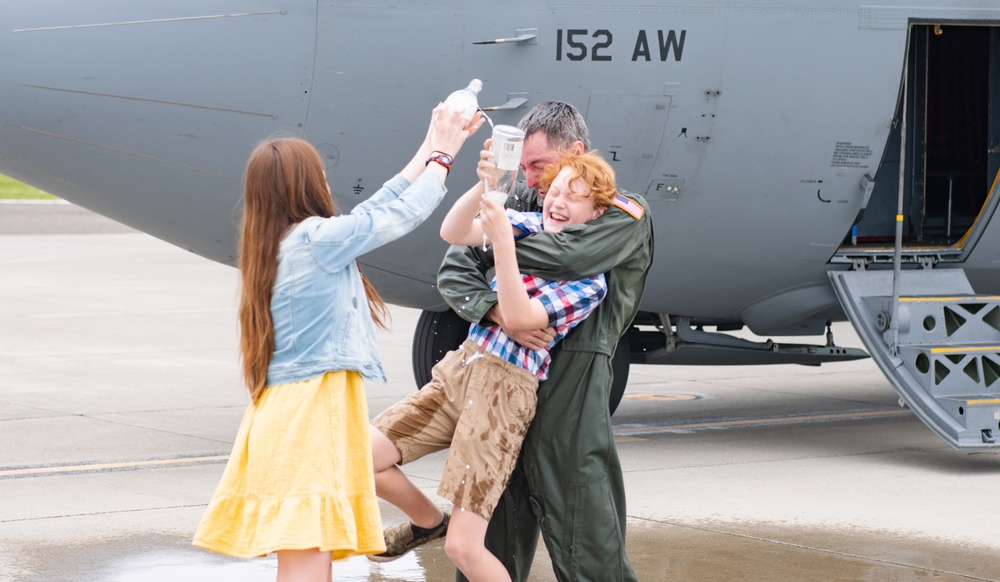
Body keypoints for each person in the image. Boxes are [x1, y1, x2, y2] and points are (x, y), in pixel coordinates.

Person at [192, 104, 482, 582]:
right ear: (305, 184)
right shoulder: (314, 241)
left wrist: (433, 141)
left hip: (294, 415)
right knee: (308, 562)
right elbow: (398, 216)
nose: (327, 182)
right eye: (320, 174)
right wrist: (445, 156)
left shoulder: (283, 241)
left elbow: (377, 207)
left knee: (310, 559)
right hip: (307, 419)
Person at [368, 151, 617, 582]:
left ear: (596, 213)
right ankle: (428, 521)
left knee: (464, 547)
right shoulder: (531, 226)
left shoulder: (589, 280)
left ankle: (444, 531)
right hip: (463, 368)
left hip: (504, 393)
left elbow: (520, 318)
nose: (558, 201)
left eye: (574, 198)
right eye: (555, 190)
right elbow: (454, 230)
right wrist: (486, 184)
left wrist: (503, 242)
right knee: (355, 455)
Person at [438, 101, 654, 581]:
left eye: (541, 166)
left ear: (575, 151)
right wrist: (498, 311)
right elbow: (455, 267)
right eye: (528, 167)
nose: (532, 178)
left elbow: (570, 253)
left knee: (589, 552)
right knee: (488, 547)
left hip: (571, 400)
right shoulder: (523, 205)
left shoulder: (620, 213)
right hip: (503, 393)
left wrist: (496, 243)